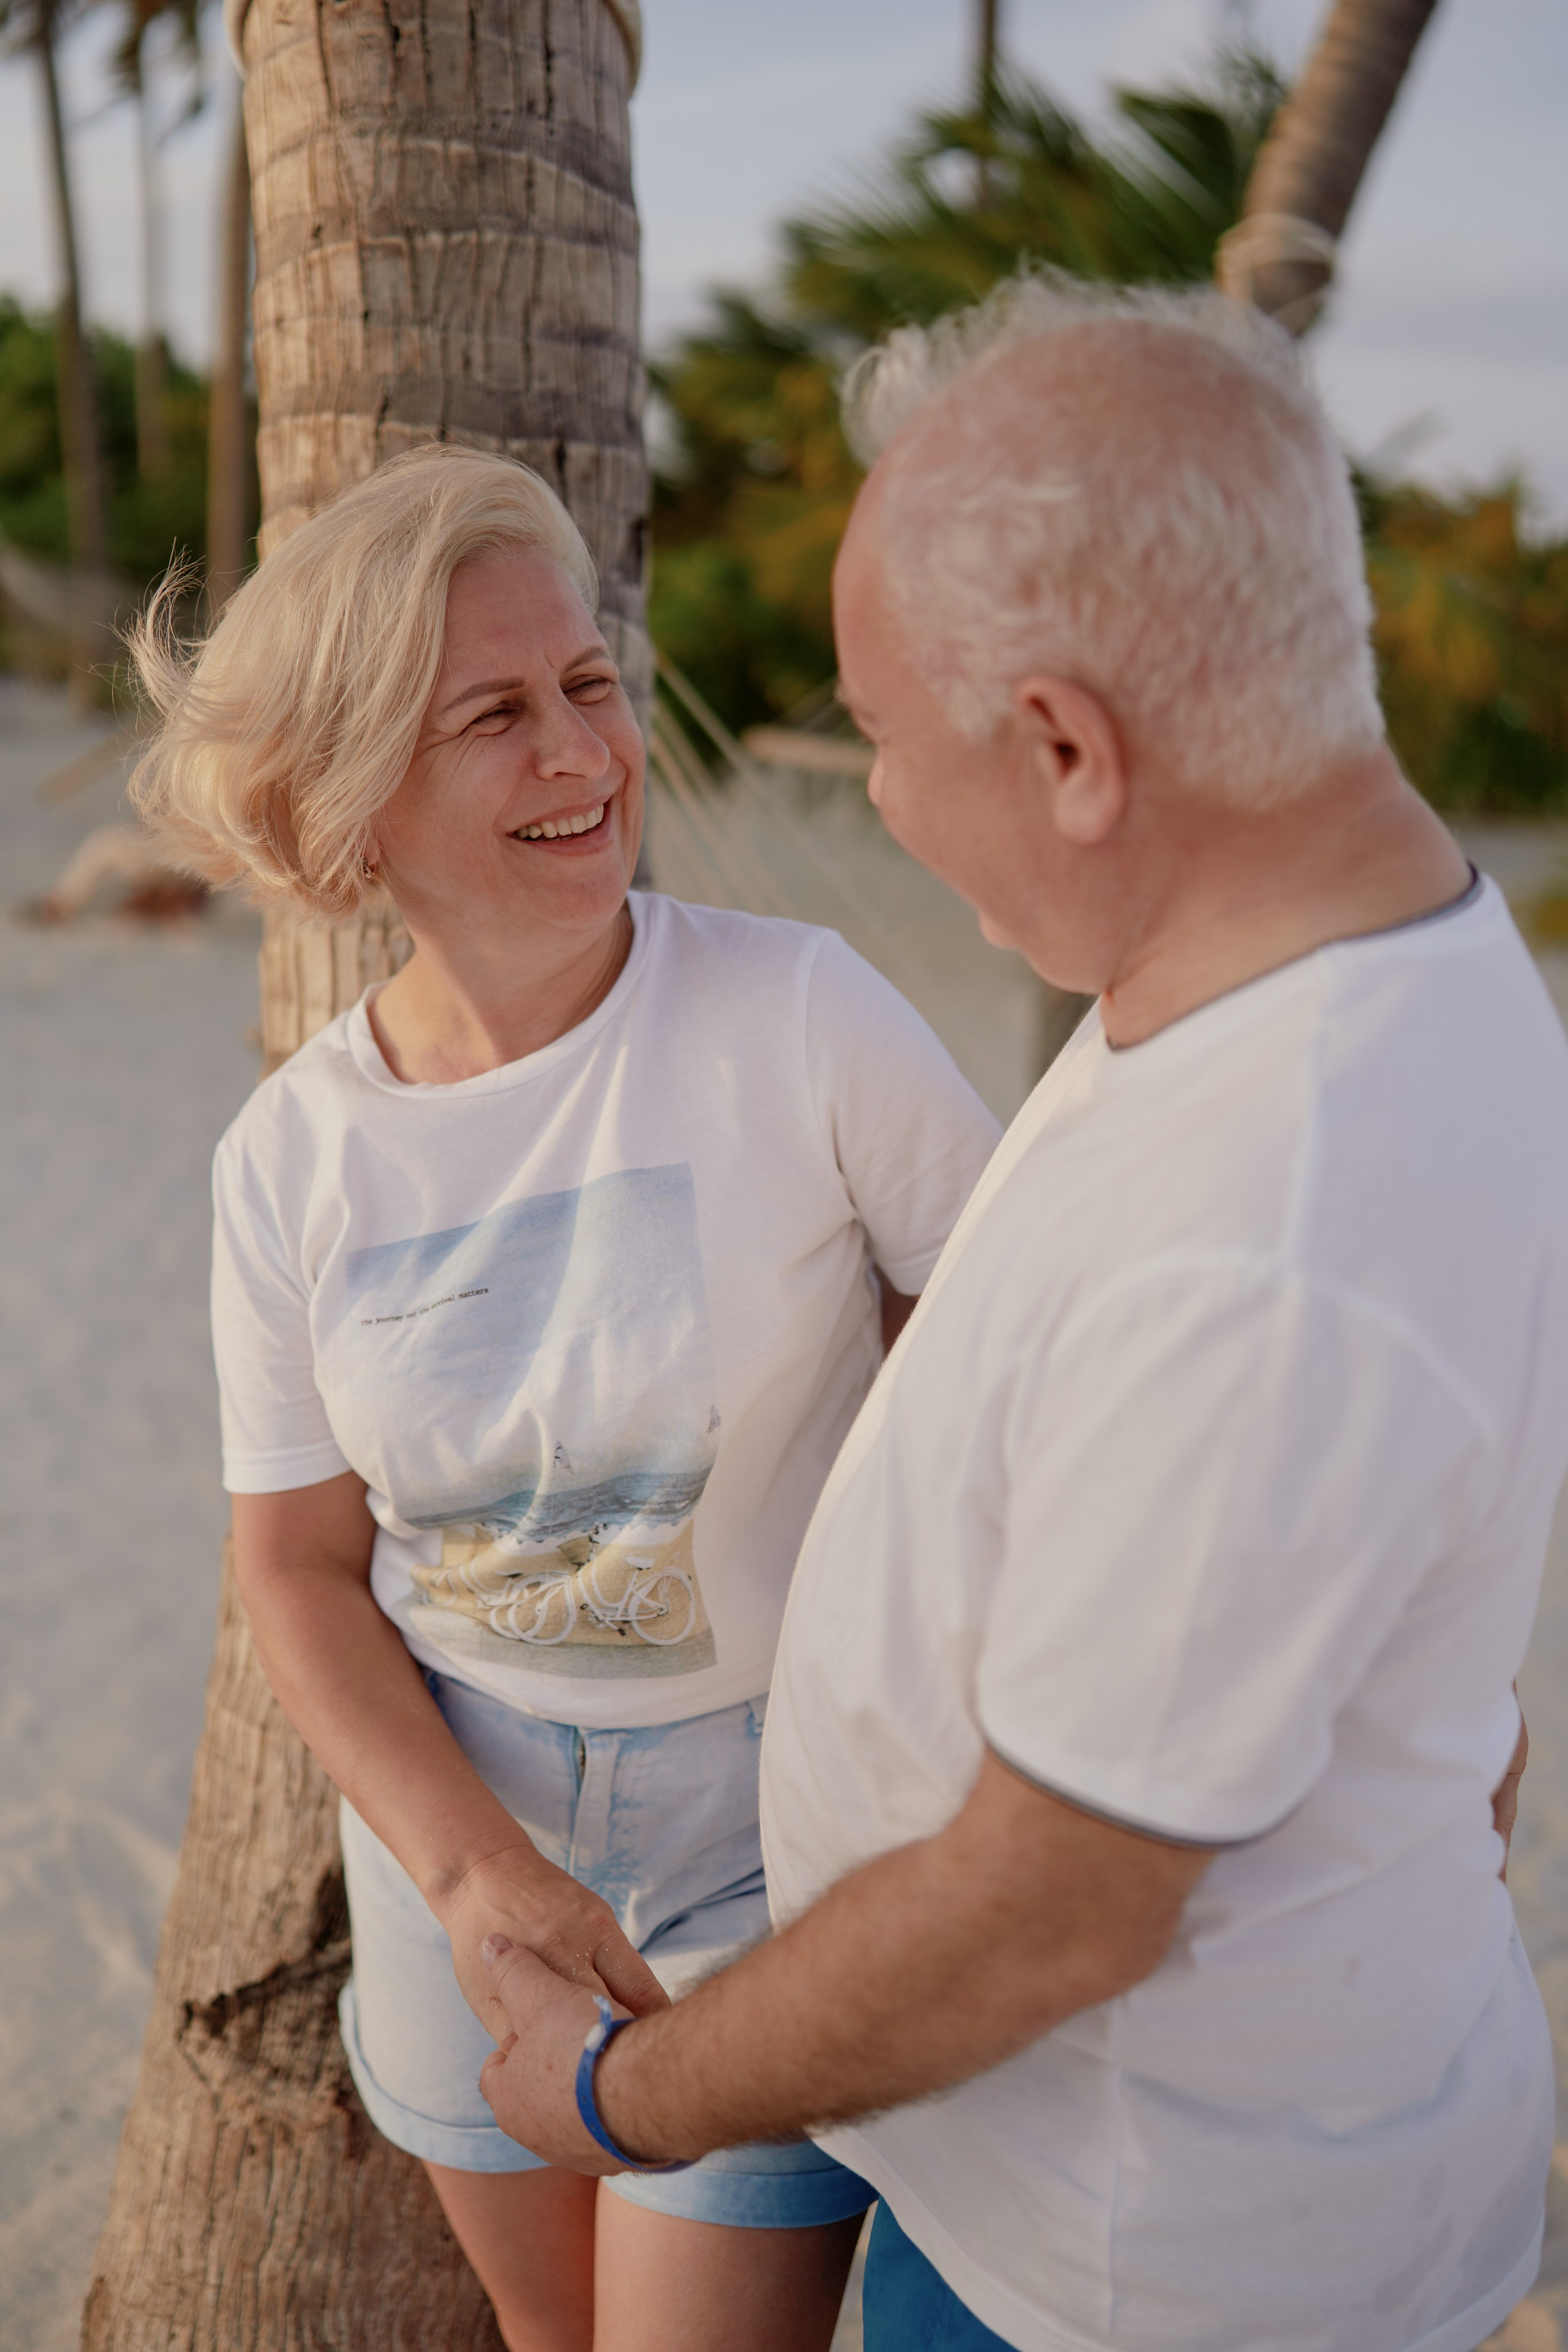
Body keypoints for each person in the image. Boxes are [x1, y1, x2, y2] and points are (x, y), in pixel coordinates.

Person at [476, 276, 1568, 2352]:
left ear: (1069, 746)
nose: (875, 796)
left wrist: (619, 2097)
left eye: (886, 737)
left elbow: (1050, 1910)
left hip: (1132, 2275)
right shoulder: (1339, 940)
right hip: (1140, 2177)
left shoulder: (1275, 1218)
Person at [126, 446, 1001, 2352]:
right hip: (460, 1829)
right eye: (494, 718)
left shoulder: (804, 1015)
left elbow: (1015, 1367)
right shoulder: (291, 1163)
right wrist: (474, 1876)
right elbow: (295, 1568)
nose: (581, 753)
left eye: (589, 686)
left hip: (778, 1835)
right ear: (355, 803)